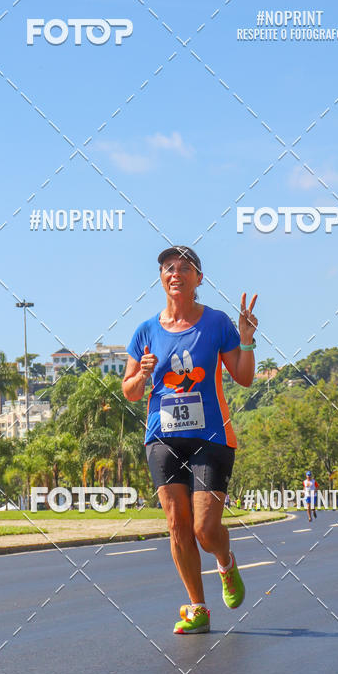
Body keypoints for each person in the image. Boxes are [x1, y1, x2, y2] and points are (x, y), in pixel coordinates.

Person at [122, 246, 258, 635]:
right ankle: (198, 607)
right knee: (176, 523)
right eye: (168, 268)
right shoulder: (145, 331)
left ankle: (226, 562)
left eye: (185, 268)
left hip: (211, 436)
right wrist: (142, 375)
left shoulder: (216, 322)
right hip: (162, 437)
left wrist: (246, 340)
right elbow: (130, 391)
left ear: (199, 279)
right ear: (161, 278)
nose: (176, 273)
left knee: (204, 528)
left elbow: (244, 377)